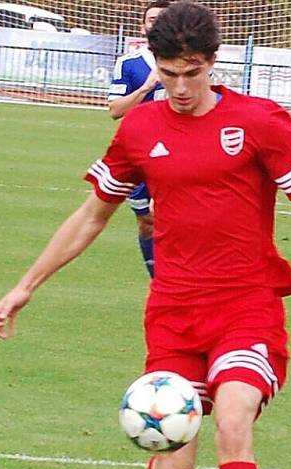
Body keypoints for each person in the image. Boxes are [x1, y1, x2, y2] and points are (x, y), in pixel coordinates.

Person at [0, 2, 291, 469]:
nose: (180, 87)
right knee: (176, 464)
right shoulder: (138, 129)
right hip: (174, 313)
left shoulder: (259, 121)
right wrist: (26, 284)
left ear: (213, 62)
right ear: (154, 64)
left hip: (247, 306)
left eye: (192, 72)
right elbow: (91, 216)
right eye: (168, 73)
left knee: (234, 421)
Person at [107, 0, 172, 277]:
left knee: (177, 222)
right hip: (140, 154)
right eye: (152, 19)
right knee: (147, 222)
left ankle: (178, 286)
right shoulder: (129, 64)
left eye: (163, 19)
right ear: (142, 25)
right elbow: (115, 110)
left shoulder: (191, 61)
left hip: (179, 153)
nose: (156, 24)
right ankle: (158, 281)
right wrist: (147, 87)